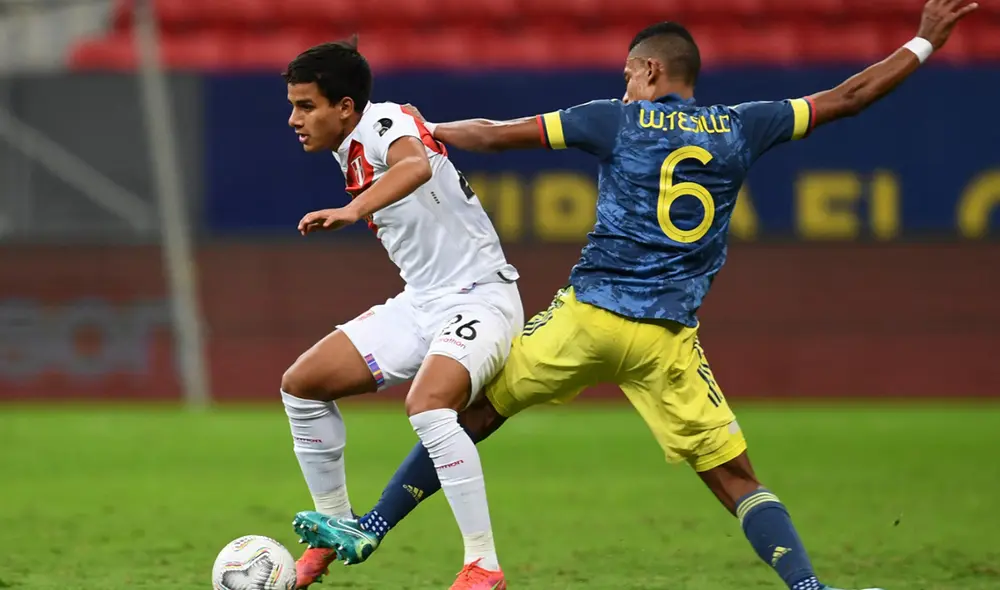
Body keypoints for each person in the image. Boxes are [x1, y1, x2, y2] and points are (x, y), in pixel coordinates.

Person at [292, 1, 977, 589]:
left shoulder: (615, 121)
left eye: (628, 74)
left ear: (650, 71)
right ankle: (809, 585)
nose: (623, 85)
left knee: (466, 414)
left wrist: (427, 130)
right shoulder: (746, 124)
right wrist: (924, 40)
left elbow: (500, 138)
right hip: (667, 340)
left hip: (585, 320)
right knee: (737, 480)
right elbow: (849, 97)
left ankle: (377, 526)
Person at [281, 36, 523, 590]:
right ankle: (334, 530)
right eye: (293, 105)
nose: (294, 119)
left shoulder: (386, 121)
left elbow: (413, 166)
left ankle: (482, 563)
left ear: (345, 107)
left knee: (429, 406)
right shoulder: (350, 146)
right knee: (301, 385)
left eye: (306, 106)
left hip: (481, 297)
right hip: (422, 302)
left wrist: (352, 209)